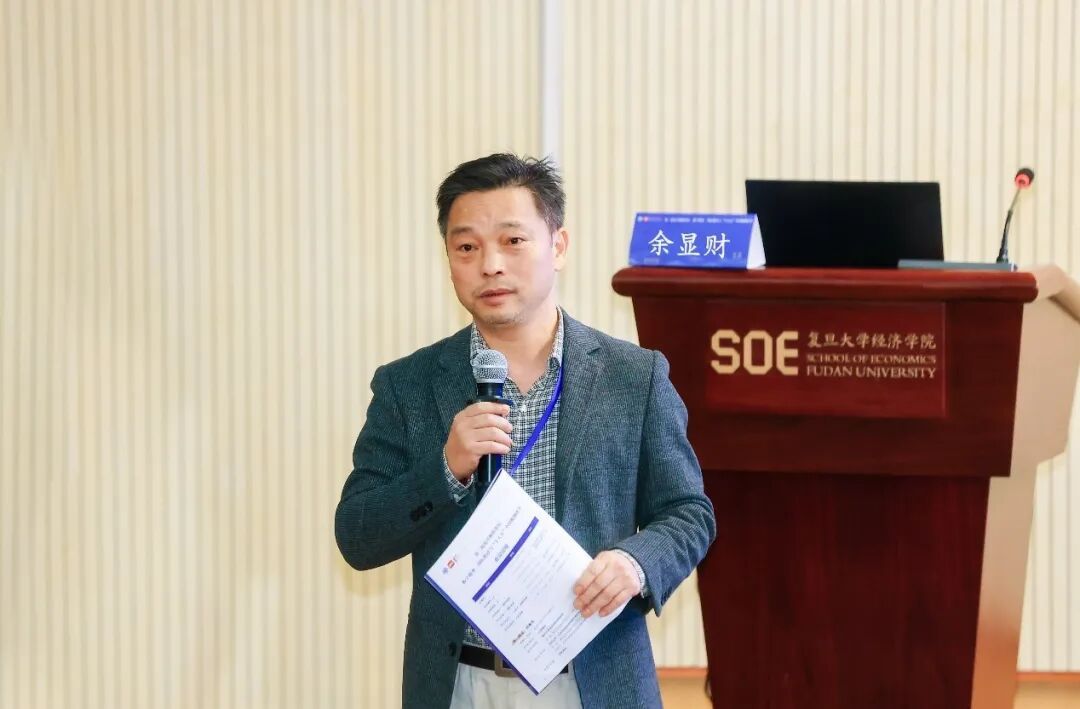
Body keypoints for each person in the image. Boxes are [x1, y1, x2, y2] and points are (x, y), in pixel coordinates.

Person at [335, 153, 716, 709]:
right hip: (460, 684)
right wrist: (444, 470)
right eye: (467, 247)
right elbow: (358, 536)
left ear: (558, 246)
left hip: (593, 681)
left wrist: (635, 564)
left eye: (513, 241)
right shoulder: (407, 385)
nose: (490, 265)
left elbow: (689, 513)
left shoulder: (634, 377)